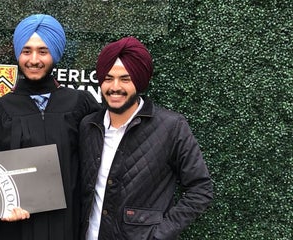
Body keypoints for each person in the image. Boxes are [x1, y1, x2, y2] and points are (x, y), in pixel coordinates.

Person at [79, 37, 213, 240]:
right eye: (108, 78)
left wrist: (159, 234)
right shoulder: (88, 126)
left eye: (125, 79)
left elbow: (200, 188)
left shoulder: (171, 127)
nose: (115, 87)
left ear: (139, 81)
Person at [0, 14, 101, 240]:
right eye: (26, 51)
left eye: (42, 51)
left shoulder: (80, 104)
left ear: (54, 54)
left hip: (67, 225)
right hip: (15, 228)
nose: (34, 59)